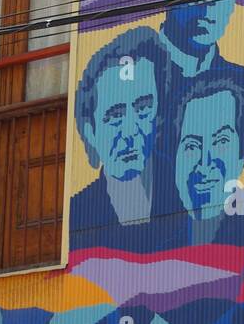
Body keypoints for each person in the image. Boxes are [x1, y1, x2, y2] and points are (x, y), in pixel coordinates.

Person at [69, 27, 169, 251]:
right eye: (115, 116)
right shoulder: (77, 214)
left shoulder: (190, 191)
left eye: (143, 108)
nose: (130, 131)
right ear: (90, 131)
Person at [170, 71, 244, 247]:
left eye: (221, 141)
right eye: (192, 146)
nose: (205, 164)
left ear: (242, 155)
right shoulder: (157, 245)